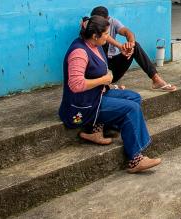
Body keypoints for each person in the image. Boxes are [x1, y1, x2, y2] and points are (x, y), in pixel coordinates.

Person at [59, 15, 161, 173]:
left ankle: (96, 129)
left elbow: (97, 71)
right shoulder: (79, 52)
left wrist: (110, 83)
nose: (109, 36)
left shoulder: (96, 44)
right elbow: (76, 85)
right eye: (106, 34)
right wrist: (104, 79)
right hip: (83, 105)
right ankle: (135, 159)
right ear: (95, 35)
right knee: (131, 109)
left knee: (134, 97)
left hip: (97, 95)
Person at [87, 6, 175, 92]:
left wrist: (130, 44)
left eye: (102, 22)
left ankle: (156, 79)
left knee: (135, 46)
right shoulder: (89, 25)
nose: (100, 25)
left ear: (108, 19)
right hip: (100, 70)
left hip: (113, 67)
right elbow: (105, 37)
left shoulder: (113, 22)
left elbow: (127, 32)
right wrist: (120, 46)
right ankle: (108, 86)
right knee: (99, 44)